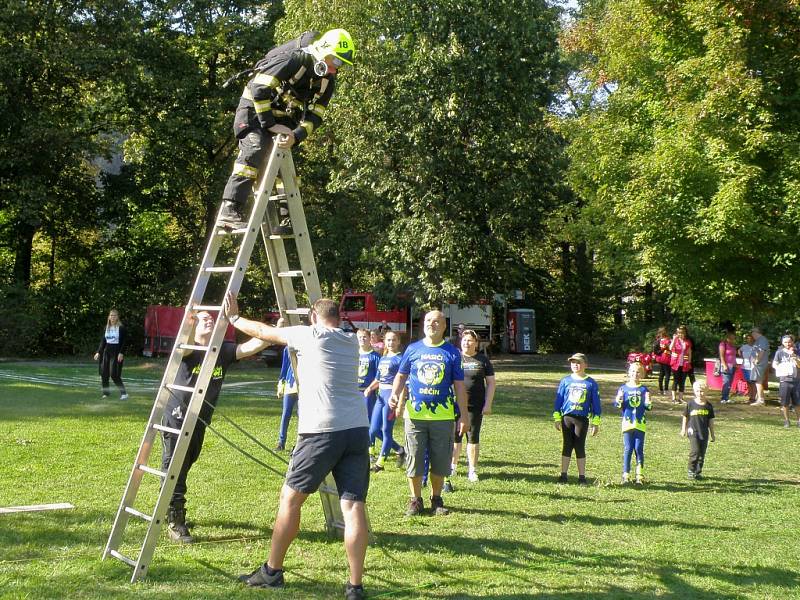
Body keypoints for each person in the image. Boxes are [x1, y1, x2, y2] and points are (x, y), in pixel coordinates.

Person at [224, 293, 370, 600]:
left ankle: (271, 572)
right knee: (354, 506)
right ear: (340, 318)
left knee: (290, 500)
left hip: (320, 432)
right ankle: (355, 586)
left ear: (314, 318)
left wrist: (235, 318)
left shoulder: (308, 334)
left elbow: (263, 332)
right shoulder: (351, 339)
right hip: (357, 430)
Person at [218, 29, 356, 230]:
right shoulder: (293, 59)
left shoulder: (327, 82)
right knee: (254, 150)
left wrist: (296, 136)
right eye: (334, 61)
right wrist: (270, 124)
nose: (335, 69)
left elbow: (316, 117)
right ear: (323, 51)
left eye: (340, 65)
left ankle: (286, 219)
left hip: (282, 119)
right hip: (254, 113)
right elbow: (259, 89)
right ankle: (230, 209)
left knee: (284, 167)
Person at [161, 310, 269, 543]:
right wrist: (189, 325)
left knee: (187, 464)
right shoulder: (189, 349)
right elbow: (186, 344)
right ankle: (175, 521)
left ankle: (167, 506)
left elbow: (251, 347)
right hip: (178, 417)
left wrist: (273, 331)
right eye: (202, 319)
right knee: (175, 468)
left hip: (200, 420)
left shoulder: (223, 350)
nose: (209, 319)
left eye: (211, 317)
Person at [389, 310, 468, 517]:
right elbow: (401, 375)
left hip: (443, 417)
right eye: (428, 321)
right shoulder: (413, 349)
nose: (431, 324)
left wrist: (464, 415)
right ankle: (415, 500)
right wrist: (395, 394)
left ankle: (436, 498)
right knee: (414, 458)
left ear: (444, 326)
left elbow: (459, 386)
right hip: (415, 417)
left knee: (440, 460)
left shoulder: (452, 352)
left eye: (436, 321)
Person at [449, 329, 496, 485]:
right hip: (455, 405)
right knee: (456, 437)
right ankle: (453, 467)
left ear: (476, 343)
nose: (466, 343)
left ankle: (472, 470)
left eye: (470, 340)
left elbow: (491, 383)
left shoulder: (483, 360)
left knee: (473, 437)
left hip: (475, 406)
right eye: (464, 340)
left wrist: (488, 404)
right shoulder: (456, 358)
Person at [553, 353, 601, 485]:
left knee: (579, 446)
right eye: (573, 362)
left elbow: (596, 404)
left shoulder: (590, 383)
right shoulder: (565, 381)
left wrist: (595, 422)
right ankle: (563, 475)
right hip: (567, 418)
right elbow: (559, 400)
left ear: (585, 365)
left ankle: (582, 477)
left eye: (578, 362)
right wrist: (557, 417)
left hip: (582, 419)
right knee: (567, 445)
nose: (575, 365)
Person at [369, 330, 406, 472]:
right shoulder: (382, 358)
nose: (390, 343)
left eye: (393, 340)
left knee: (386, 430)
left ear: (398, 342)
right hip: (380, 396)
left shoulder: (400, 359)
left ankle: (380, 463)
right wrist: (369, 389)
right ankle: (399, 449)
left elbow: (403, 383)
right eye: (388, 340)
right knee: (373, 429)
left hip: (392, 395)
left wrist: (399, 404)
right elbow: (378, 379)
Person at [614, 363, 651, 485]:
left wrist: (648, 402)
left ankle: (639, 475)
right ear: (629, 373)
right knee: (628, 448)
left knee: (638, 449)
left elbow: (648, 406)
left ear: (642, 374)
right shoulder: (623, 389)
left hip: (640, 423)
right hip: (627, 423)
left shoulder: (644, 389)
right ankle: (626, 474)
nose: (635, 374)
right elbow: (617, 405)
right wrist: (618, 401)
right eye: (633, 371)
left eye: (638, 372)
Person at [680, 381, 716, 480]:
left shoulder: (708, 406)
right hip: (693, 432)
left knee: (701, 454)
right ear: (694, 391)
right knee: (695, 451)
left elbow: (711, 421)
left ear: (706, 391)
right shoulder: (690, 404)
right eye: (697, 391)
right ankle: (691, 470)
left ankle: (698, 472)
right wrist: (684, 429)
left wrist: (712, 434)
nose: (700, 393)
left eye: (702, 391)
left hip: (704, 433)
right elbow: (685, 417)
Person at [93, 309, 128, 400]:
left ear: (117, 317)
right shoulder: (106, 328)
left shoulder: (121, 328)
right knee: (104, 374)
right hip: (106, 352)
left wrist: (121, 353)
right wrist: (98, 352)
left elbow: (125, 342)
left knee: (114, 375)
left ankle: (124, 394)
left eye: (115, 315)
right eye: (111, 315)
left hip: (116, 352)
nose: (113, 317)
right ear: (109, 317)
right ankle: (106, 393)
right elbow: (103, 342)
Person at [771, 335, 800, 428]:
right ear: (782, 343)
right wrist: (782, 367)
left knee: (797, 402)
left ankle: (799, 420)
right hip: (784, 380)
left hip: (796, 380)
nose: (788, 344)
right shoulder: (779, 353)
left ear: (792, 342)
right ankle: (786, 420)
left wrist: (795, 357)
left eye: (789, 342)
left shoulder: (797, 352)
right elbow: (774, 364)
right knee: (785, 402)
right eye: (785, 342)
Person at [275, 345, 298, 451]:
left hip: (304, 385)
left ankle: (299, 443)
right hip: (290, 384)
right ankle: (281, 442)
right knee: (286, 414)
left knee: (302, 415)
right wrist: (281, 382)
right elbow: (284, 367)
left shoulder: (308, 346)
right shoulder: (287, 348)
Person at [357, 329, 381, 423]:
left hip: (368, 393)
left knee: (368, 420)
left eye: (364, 337)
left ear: (369, 338)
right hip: (354, 392)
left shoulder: (375, 356)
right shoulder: (353, 354)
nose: (362, 339)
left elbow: (379, 377)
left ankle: (370, 438)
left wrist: (370, 389)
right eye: (359, 337)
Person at [669, 326, 692, 404]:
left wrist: (689, 361)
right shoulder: (675, 340)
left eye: (682, 333)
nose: (680, 334)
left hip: (684, 364)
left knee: (682, 381)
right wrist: (674, 339)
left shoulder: (687, 341)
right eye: (679, 333)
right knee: (675, 380)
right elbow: (670, 348)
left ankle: (681, 398)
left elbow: (689, 352)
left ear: (685, 333)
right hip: (675, 364)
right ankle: (673, 398)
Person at [750, 327, 770, 405]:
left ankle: (761, 400)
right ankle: (759, 398)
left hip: (759, 364)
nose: (752, 335)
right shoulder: (758, 340)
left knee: (758, 381)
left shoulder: (762, 339)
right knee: (757, 381)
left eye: (752, 333)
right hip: (757, 364)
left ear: (756, 332)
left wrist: (757, 361)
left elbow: (762, 351)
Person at [718, 330, 738, 404]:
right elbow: (722, 356)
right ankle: (723, 398)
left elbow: (734, 356)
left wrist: (735, 364)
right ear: (727, 338)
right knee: (726, 382)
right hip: (726, 365)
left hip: (733, 366)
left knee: (730, 383)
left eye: (734, 338)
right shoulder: (723, 344)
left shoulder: (733, 346)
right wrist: (724, 365)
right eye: (731, 338)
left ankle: (727, 397)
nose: (733, 340)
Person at [652, 326, 672, 396]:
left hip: (660, 359)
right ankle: (666, 390)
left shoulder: (658, 340)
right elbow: (671, 348)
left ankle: (660, 389)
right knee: (667, 375)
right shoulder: (668, 340)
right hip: (667, 359)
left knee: (661, 374)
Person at [739, 333, 757, 403]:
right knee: (748, 382)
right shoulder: (744, 346)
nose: (749, 340)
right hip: (745, 367)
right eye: (748, 338)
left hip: (753, 367)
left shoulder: (756, 347)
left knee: (753, 382)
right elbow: (739, 351)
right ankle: (750, 396)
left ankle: (753, 397)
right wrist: (741, 357)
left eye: (750, 338)